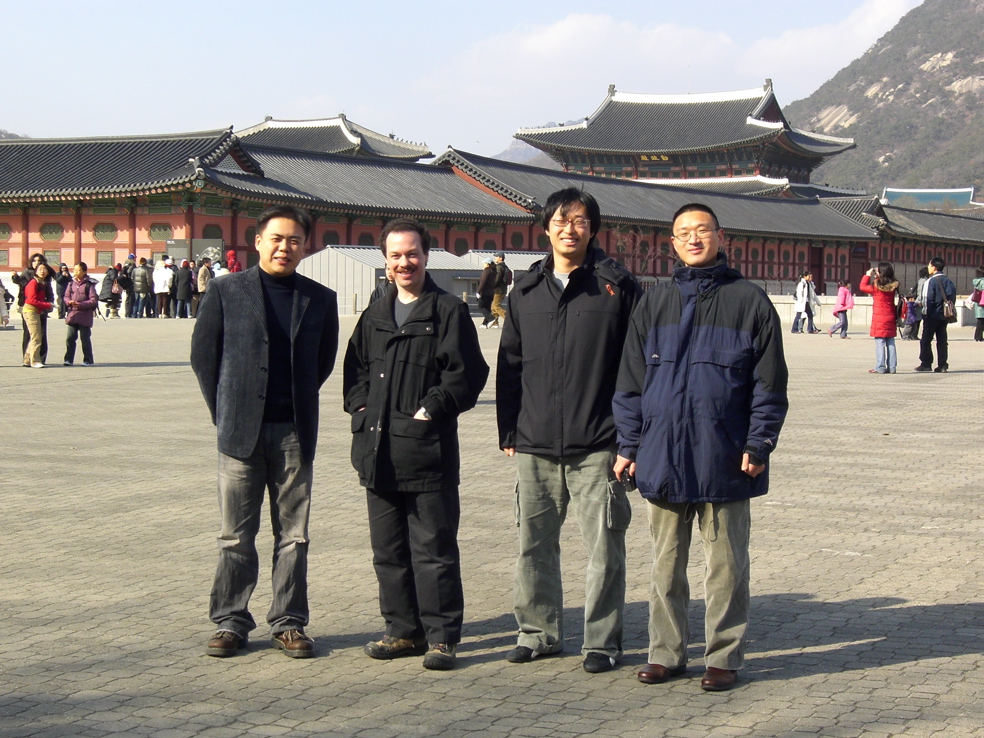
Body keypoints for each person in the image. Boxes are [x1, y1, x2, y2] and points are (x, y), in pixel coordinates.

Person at [613, 202, 788, 692]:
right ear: (672, 243)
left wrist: (760, 441)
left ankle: (724, 657)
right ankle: (666, 653)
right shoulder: (654, 302)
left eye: (702, 230)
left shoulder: (750, 301)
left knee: (726, 566)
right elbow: (629, 382)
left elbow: (769, 383)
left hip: (725, 453)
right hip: (663, 453)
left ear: (720, 236)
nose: (693, 238)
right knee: (665, 564)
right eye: (683, 232)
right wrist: (629, 444)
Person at [496, 187, 641, 674]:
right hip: (535, 440)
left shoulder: (616, 287)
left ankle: (601, 642)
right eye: (560, 220)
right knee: (532, 546)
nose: (569, 228)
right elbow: (510, 363)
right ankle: (538, 633)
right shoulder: (526, 289)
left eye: (579, 221)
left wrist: (631, 438)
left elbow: (635, 366)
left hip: (598, 442)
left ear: (593, 229)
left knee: (604, 547)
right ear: (545, 227)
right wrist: (508, 429)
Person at [191, 205, 339, 659]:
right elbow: (204, 358)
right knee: (235, 535)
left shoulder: (320, 298)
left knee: (294, 535)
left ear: (305, 246)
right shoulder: (225, 291)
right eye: (276, 238)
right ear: (257, 241)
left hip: (293, 431)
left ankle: (289, 622)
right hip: (239, 434)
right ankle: (230, 620)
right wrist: (227, 411)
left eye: (294, 240)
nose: (285, 247)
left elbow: (323, 362)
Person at [344, 218, 488, 671]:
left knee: (434, 549)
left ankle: (442, 637)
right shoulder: (376, 313)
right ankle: (402, 630)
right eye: (395, 256)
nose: (404, 262)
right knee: (388, 551)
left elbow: (467, 374)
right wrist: (361, 410)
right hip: (377, 450)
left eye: (412, 254)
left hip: (427, 451)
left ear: (427, 256)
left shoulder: (447, 310)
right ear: (385, 262)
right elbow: (356, 371)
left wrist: (432, 408)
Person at [915, 256, 956, 373]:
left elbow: (928, 299)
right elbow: (952, 298)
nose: (928, 267)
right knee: (942, 340)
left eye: (929, 265)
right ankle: (942, 365)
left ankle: (926, 363)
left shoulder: (930, 281)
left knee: (926, 340)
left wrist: (925, 314)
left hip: (932, 315)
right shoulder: (949, 281)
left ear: (934, 267)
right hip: (944, 315)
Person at [12, 253, 54, 362]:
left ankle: (41, 358)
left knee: (42, 333)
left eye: (39, 261)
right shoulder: (28, 273)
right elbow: (21, 282)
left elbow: (50, 293)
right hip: (28, 307)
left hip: (42, 308)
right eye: (34, 261)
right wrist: (15, 277)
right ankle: (27, 358)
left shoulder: (45, 277)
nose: (36, 263)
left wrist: (49, 305)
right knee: (28, 333)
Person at [859, 263, 900, 374]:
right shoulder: (893, 286)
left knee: (880, 343)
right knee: (890, 342)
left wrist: (868, 275)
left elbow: (862, 287)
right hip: (890, 316)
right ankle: (892, 367)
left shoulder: (876, 287)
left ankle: (880, 366)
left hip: (879, 317)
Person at [63, 262, 99, 366]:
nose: (75, 272)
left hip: (84, 315)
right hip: (73, 315)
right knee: (70, 338)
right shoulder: (71, 283)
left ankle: (88, 360)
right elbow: (66, 296)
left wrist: (81, 304)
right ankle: (68, 359)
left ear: (84, 271)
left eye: (77, 270)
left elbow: (93, 300)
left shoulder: (89, 284)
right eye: (74, 270)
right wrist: (69, 301)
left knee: (85, 338)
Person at [22, 262, 55, 368]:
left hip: (36, 311)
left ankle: (27, 359)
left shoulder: (42, 282)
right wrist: (47, 305)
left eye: (44, 269)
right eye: (40, 269)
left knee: (35, 336)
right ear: (35, 271)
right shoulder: (33, 282)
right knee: (36, 337)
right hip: (30, 311)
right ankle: (35, 360)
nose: (42, 271)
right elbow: (31, 300)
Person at [476, 257, 497, 328]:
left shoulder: (486, 271)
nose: (483, 264)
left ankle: (491, 318)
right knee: (487, 308)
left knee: (481, 306)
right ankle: (485, 323)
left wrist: (478, 292)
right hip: (491, 292)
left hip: (484, 292)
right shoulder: (494, 271)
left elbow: (483, 282)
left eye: (484, 263)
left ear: (488, 264)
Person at [491, 251, 509, 325]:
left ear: (500, 258)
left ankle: (509, 319)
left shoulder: (498, 267)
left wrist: (492, 286)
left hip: (498, 290)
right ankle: (495, 322)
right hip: (503, 289)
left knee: (496, 306)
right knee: (493, 307)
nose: (495, 258)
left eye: (496, 256)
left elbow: (497, 279)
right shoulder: (505, 267)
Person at [973, 265, 984, 342]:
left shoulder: (976, 281)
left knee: (980, 321)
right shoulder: (983, 281)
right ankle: (978, 337)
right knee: (981, 322)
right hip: (982, 302)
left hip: (978, 302)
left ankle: (978, 336)